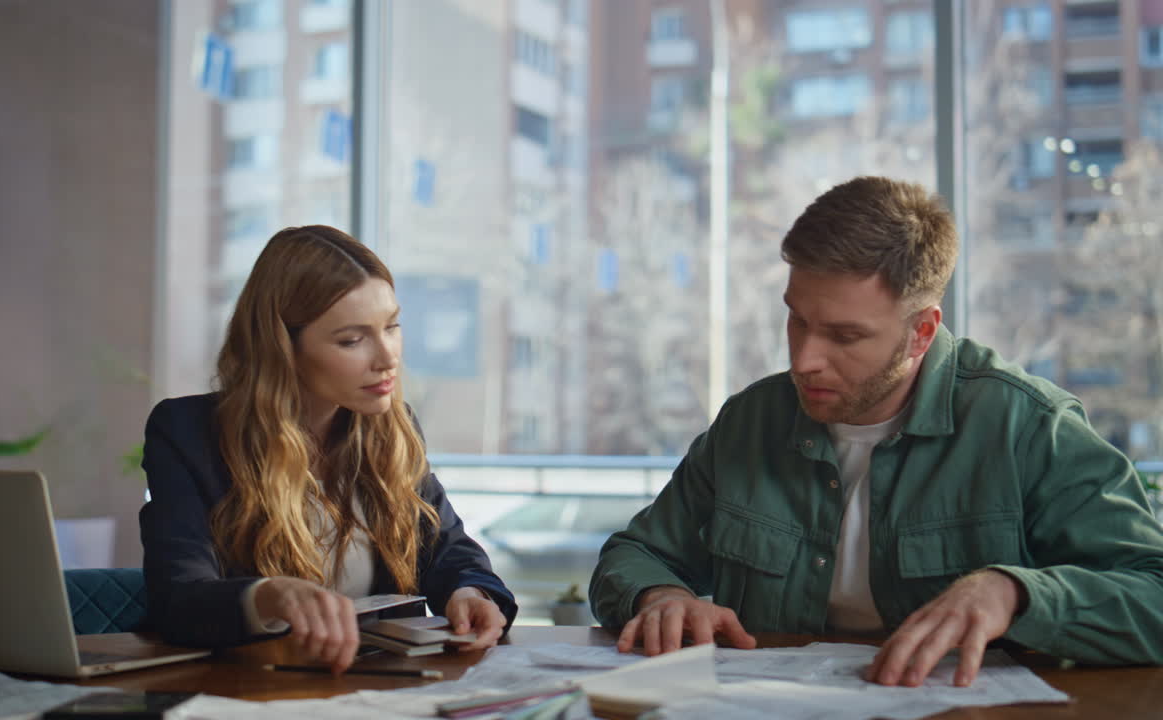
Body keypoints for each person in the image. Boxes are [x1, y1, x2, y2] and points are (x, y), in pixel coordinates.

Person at [589, 176, 1163, 687]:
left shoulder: (1029, 426)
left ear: (921, 332)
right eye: (797, 319)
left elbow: (1152, 595)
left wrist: (1013, 594)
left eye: (843, 336)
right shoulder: (751, 420)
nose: (805, 359)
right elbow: (636, 554)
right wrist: (661, 596)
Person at [140, 225, 516, 673]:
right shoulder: (188, 433)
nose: (387, 357)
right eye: (352, 340)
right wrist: (266, 596)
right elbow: (177, 598)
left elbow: (448, 550)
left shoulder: (392, 428)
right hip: (246, 693)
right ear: (282, 347)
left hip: (379, 693)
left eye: (392, 327)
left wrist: (470, 593)